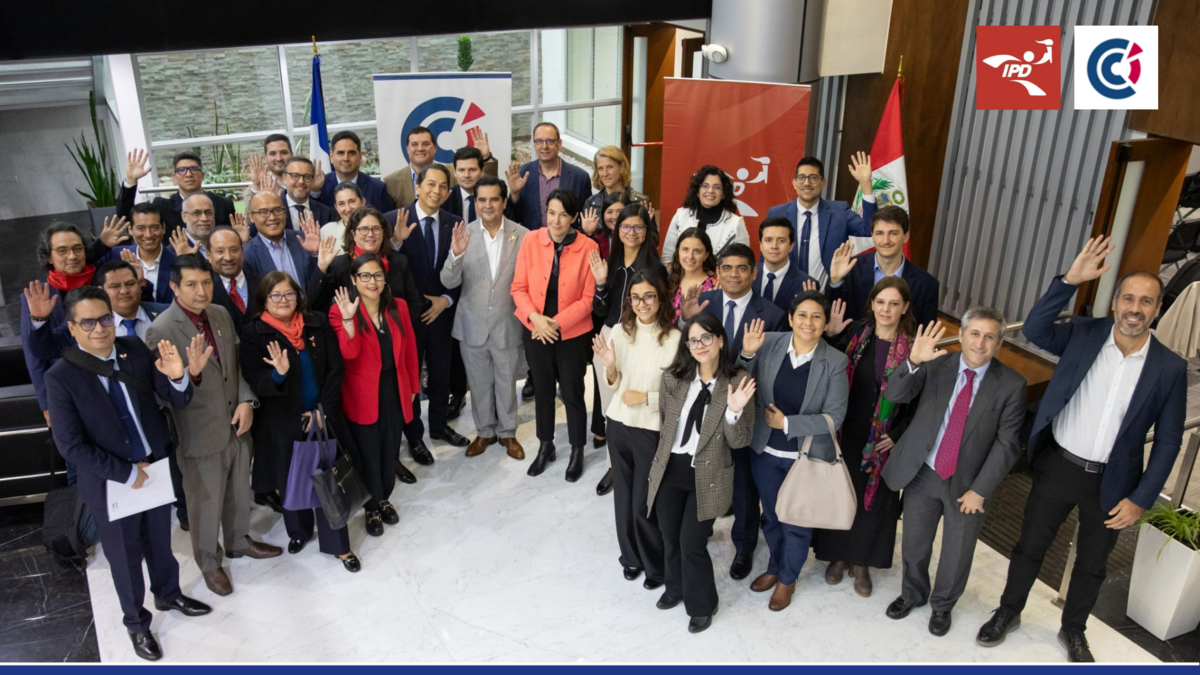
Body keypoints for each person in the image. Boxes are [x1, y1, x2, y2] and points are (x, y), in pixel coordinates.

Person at [978, 237, 1188, 662]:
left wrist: (1141, 498)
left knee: (1092, 564)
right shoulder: (1084, 333)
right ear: (1115, 303)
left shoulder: (1169, 367)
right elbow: (1036, 329)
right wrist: (1069, 281)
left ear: (1157, 310)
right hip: (1059, 465)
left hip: (1115, 481)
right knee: (1029, 547)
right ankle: (1008, 611)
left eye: (1145, 301)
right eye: (1128, 298)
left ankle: (1074, 630)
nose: (1135, 308)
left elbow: (1169, 440)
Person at [40, 287, 211, 661]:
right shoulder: (61, 377)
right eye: (88, 322)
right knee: (125, 556)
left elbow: (174, 398)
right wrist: (125, 472)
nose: (100, 328)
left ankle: (168, 594)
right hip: (112, 482)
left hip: (154, 467)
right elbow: (71, 446)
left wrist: (180, 377)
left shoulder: (133, 348)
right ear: (73, 328)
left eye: (105, 319)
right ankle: (136, 623)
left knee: (160, 543)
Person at [878, 310, 1025, 638]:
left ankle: (943, 605)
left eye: (989, 337)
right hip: (924, 471)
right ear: (961, 336)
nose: (980, 343)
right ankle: (913, 594)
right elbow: (894, 395)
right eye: (974, 333)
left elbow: (1007, 445)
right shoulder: (936, 364)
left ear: (999, 343)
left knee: (957, 551)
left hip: (968, 484)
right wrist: (913, 361)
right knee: (915, 542)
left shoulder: (1011, 385)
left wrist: (980, 489)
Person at [147, 254, 282, 597]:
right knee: (204, 502)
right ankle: (209, 561)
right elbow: (163, 393)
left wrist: (247, 400)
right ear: (174, 286)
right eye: (191, 284)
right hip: (199, 431)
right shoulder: (161, 329)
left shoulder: (220, 313)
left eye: (206, 282)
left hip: (237, 422)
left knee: (238, 489)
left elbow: (238, 364)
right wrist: (189, 374)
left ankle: (238, 541)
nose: (201, 291)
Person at [735, 291, 850, 612]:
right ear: (790, 318)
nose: (808, 322)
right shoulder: (769, 342)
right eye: (802, 315)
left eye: (816, 316)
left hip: (805, 457)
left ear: (825, 323)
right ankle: (774, 566)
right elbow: (739, 381)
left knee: (797, 523)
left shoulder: (835, 361)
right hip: (764, 452)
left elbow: (834, 417)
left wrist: (787, 423)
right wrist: (746, 354)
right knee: (772, 517)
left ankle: (788, 578)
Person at [239, 271, 361, 573]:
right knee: (290, 480)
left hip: (322, 416)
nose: (283, 300)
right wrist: (278, 374)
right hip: (282, 423)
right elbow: (255, 379)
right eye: (275, 295)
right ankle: (299, 531)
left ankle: (339, 546)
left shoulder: (315, 322)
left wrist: (322, 409)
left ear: (298, 296)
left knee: (327, 479)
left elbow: (335, 368)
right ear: (264, 300)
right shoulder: (254, 333)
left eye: (289, 293)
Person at [679, 242, 785, 580]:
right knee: (703, 471)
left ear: (754, 272)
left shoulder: (772, 314)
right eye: (727, 268)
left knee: (743, 487)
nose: (734, 274)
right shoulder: (704, 304)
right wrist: (685, 319)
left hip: (744, 412)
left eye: (742, 268)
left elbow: (770, 371)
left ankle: (744, 546)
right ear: (718, 272)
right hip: (703, 410)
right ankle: (702, 527)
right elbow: (689, 348)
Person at [646, 312, 756, 633]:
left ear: (720, 341)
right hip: (670, 469)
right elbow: (666, 425)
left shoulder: (738, 382)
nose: (700, 345)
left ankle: (703, 604)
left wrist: (733, 412)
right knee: (669, 535)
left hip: (707, 475)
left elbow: (741, 441)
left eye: (707, 337)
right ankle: (676, 587)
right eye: (693, 340)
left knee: (691, 542)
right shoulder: (673, 378)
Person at [811, 277, 917, 597]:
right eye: (880, 302)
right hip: (847, 430)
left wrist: (897, 434)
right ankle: (838, 555)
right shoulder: (855, 334)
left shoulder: (914, 348)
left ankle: (863, 562)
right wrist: (831, 336)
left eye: (894, 303)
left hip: (883, 440)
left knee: (874, 503)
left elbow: (920, 401)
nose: (886, 309)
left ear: (905, 307)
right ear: (872, 303)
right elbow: (827, 370)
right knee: (841, 492)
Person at [592, 271, 680, 589]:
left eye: (649, 296)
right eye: (636, 297)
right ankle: (630, 557)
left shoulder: (674, 338)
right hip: (618, 424)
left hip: (650, 429)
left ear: (660, 298)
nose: (642, 303)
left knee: (644, 501)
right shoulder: (620, 330)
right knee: (624, 498)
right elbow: (614, 384)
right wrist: (610, 366)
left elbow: (678, 394)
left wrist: (646, 398)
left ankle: (655, 566)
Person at [329, 255, 420, 538]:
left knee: (390, 447)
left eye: (378, 275)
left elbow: (410, 349)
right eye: (365, 276)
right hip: (362, 393)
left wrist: (413, 387)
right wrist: (348, 319)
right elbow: (350, 353)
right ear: (354, 279)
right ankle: (371, 507)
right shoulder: (339, 310)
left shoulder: (398, 306)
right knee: (368, 452)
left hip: (395, 386)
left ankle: (384, 498)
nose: (372, 282)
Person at [512, 188, 599, 481]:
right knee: (543, 390)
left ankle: (577, 449)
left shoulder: (589, 247)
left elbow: (588, 299)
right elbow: (518, 288)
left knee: (573, 391)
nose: (556, 221)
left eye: (563, 215)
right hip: (536, 327)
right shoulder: (530, 240)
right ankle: (545, 445)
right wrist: (536, 319)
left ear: (574, 217)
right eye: (551, 213)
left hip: (571, 330)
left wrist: (556, 323)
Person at [440, 176, 529, 461]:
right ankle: (485, 431)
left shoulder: (523, 235)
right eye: (482, 200)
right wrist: (456, 255)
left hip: (508, 324)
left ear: (504, 202)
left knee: (506, 382)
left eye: (494, 199)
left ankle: (508, 432)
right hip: (472, 325)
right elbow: (448, 281)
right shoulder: (463, 233)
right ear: (475, 203)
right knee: (478, 384)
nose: (487, 205)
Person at [387, 164, 469, 459]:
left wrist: (446, 300)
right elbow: (383, 269)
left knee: (440, 374)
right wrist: (396, 242)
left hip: (441, 314)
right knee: (410, 377)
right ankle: (414, 436)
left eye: (443, 186)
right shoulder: (393, 220)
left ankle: (438, 426)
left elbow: (464, 271)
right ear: (418, 187)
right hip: (405, 317)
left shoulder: (456, 223)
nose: (437, 191)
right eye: (430, 184)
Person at [589, 203, 668, 490]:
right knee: (611, 408)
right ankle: (615, 466)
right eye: (625, 226)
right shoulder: (609, 264)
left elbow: (660, 309)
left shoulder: (654, 268)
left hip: (642, 339)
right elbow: (600, 311)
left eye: (638, 227)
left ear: (647, 231)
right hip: (611, 336)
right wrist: (600, 284)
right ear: (617, 229)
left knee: (635, 404)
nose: (631, 232)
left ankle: (641, 464)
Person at [22, 220, 127, 432]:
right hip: (70, 385)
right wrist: (46, 402)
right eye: (62, 251)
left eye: (77, 248)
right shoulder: (38, 296)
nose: (72, 256)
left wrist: (101, 244)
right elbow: (34, 355)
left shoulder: (100, 280)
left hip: (114, 375)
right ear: (49, 257)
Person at [764, 153, 876, 286]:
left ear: (823, 182)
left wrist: (865, 184)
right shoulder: (777, 213)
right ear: (794, 183)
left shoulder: (839, 211)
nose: (807, 183)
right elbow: (766, 257)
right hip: (784, 292)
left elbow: (869, 229)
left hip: (826, 293)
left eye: (813, 177)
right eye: (801, 177)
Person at [826, 205, 939, 325]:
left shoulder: (927, 284)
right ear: (872, 235)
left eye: (893, 233)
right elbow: (830, 316)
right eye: (879, 233)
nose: (885, 241)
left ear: (906, 236)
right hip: (852, 337)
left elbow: (926, 331)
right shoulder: (851, 268)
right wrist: (835, 282)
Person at [117, 151, 238, 239]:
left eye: (194, 169)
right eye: (182, 170)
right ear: (174, 177)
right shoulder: (163, 206)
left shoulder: (223, 204)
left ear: (202, 175)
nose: (188, 174)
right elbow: (126, 216)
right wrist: (130, 181)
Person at [383, 127, 499, 209]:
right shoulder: (391, 182)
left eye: (425, 144)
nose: (420, 149)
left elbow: (488, 187)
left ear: (435, 148)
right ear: (407, 149)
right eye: (414, 144)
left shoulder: (452, 171)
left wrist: (485, 158)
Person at [505, 122, 592, 231]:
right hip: (532, 239)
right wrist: (514, 193)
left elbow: (586, 221)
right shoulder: (523, 173)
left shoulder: (579, 178)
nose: (544, 146)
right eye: (539, 141)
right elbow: (513, 219)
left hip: (567, 241)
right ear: (534, 144)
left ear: (559, 143)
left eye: (550, 141)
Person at [100, 192, 177, 304]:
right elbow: (84, 265)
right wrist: (101, 244)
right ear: (130, 230)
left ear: (163, 228)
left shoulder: (177, 262)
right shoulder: (115, 255)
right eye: (141, 228)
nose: (148, 234)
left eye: (154, 227)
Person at [661, 166, 749, 263]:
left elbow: (743, 262)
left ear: (724, 194)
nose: (710, 191)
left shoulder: (736, 223)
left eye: (717, 187)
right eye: (705, 186)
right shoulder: (680, 215)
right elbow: (667, 258)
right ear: (697, 192)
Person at [196, 227, 261, 335]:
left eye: (234, 250)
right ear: (209, 255)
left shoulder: (263, 284)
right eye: (220, 251)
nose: (228, 257)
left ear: (242, 251)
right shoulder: (202, 291)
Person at [243, 191, 320, 281]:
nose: (272, 217)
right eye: (263, 212)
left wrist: (316, 254)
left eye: (277, 210)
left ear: (285, 213)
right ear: (251, 217)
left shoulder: (304, 239)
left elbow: (319, 281)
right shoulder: (247, 254)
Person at [313, 131, 395, 212]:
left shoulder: (378, 189)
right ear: (331, 157)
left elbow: (386, 219)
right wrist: (314, 192)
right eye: (341, 153)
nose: (346, 158)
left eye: (351, 153)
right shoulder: (320, 187)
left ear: (360, 157)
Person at [753, 216, 815, 313]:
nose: (774, 246)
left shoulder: (807, 284)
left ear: (791, 246)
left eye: (781, 240)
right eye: (768, 240)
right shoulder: (747, 275)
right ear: (760, 244)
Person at [98, 260, 170, 340]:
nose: (124, 291)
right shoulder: (96, 327)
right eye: (115, 286)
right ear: (102, 292)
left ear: (139, 286)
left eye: (130, 284)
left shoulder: (167, 313)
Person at [666, 227, 719, 320]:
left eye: (697, 251)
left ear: (706, 255)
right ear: (678, 252)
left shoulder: (716, 285)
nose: (690, 256)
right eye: (685, 249)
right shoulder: (672, 279)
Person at [276, 157, 337, 232]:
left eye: (307, 177)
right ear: (284, 178)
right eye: (295, 176)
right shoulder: (273, 209)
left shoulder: (326, 212)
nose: (301, 181)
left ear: (313, 180)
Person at [583, 145, 648, 215]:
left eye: (610, 167)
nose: (605, 174)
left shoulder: (641, 202)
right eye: (601, 168)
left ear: (622, 167)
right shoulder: (591, 204)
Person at [320, 182, 365, 248]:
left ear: (363, 202)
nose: (348, 209)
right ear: (336, 207)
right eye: (341, 204)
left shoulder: (375, 228)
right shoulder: (327, 231)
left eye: (352, 201)